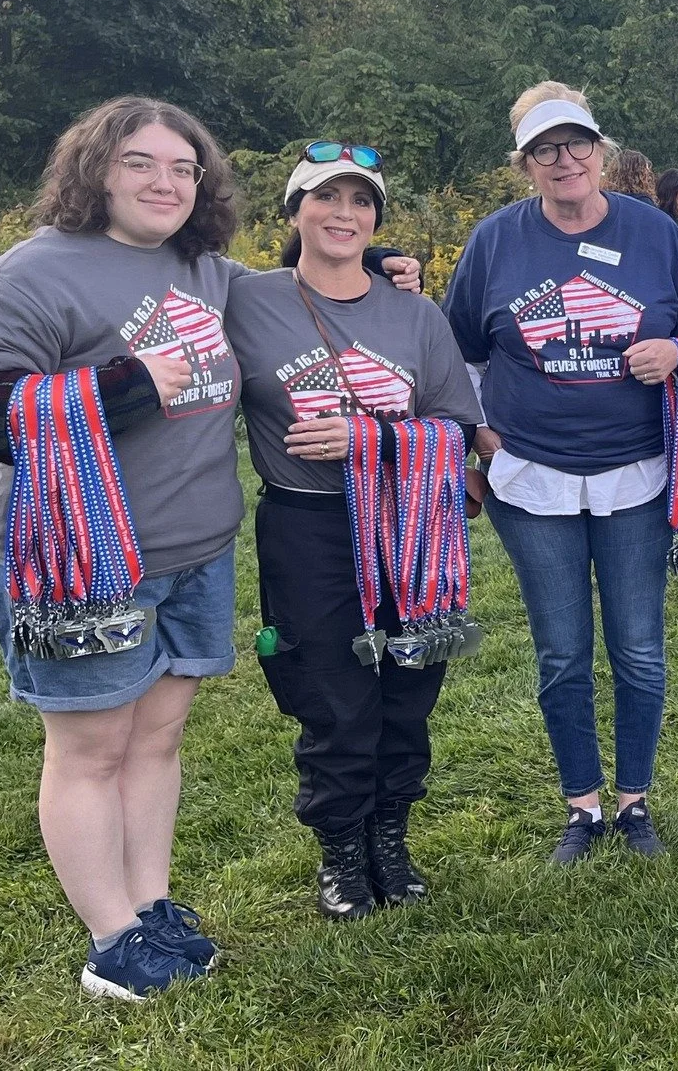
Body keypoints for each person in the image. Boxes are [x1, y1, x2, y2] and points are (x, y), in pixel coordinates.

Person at [0, 99, 417, 999]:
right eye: (141, 163)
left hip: (196, 550)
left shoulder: (203, 268)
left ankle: (153, 907)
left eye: (183, 168)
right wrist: (122, 387)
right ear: (96, 169)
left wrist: (374, 268)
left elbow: (299, 294)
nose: (165, 183)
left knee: (157, 741)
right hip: (79, 559)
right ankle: (111, 938)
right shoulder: (34, 273)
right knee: (89, 748)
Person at [444, 83, 678, 865]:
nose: (564, 160)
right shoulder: (495, 241)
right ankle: (582, 805)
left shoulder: (655, 234)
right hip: (531, 480)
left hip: (636, 476)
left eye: (577, 145)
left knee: (639, 649)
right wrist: (479, 436)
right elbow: (457, 352)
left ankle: (635, 801)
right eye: (546, 149)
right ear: (526, 163)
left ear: (600, 152)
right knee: (562, 651)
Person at [226, 146, 481, 919]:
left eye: (361, 201)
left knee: (408, 686)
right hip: (309, 524)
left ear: (376, 218)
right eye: (325, 197)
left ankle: (390, 838)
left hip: (411, 522)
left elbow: (457, 424)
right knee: (331, 693)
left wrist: (370, 442)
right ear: (293, 210)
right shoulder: (247, 299)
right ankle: (341, 850)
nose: (344, 213)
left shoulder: (414, 310)